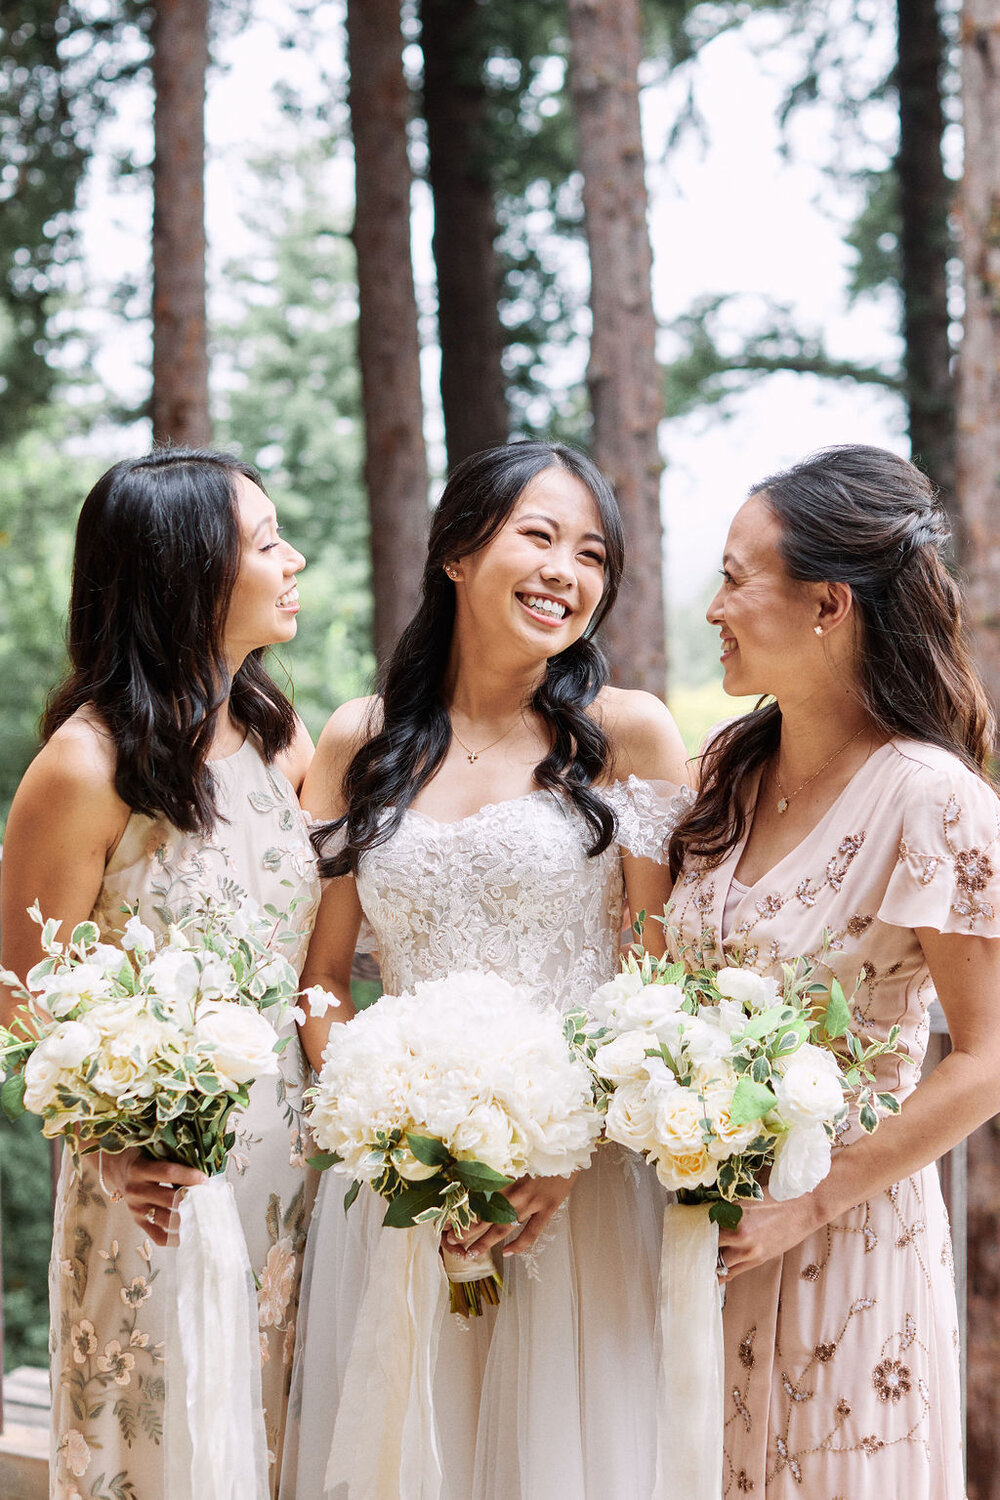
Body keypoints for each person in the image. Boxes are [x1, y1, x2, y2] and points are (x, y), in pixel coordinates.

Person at [279, 440, 692, 1500]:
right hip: (401, 1183)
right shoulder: (358, 742)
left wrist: (563, 1147)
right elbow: (322, 974)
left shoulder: (628, 734)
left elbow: (658, 980)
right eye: (539, 536)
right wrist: (381, 1128)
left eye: (592, 555)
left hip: (581, 1186)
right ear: (460, 551)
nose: (567, 572)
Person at [666, 444, 1000, 1497]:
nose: (714, 607)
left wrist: (804, 1207)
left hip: (843, 1252)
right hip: (694, 1241)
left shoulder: (929, 799)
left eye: (733, 577)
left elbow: (986, 1059)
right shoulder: (726, 766)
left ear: (826, 606)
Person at [0, 450, 321, 1500]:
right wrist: (105, 1150)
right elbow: (19, 1006)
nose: (294, 558)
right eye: (267, 540)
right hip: (156, 1191)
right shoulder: (84, 769)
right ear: (188, 571)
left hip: (292, 1171)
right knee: (166, 1452)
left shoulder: (281, 742)